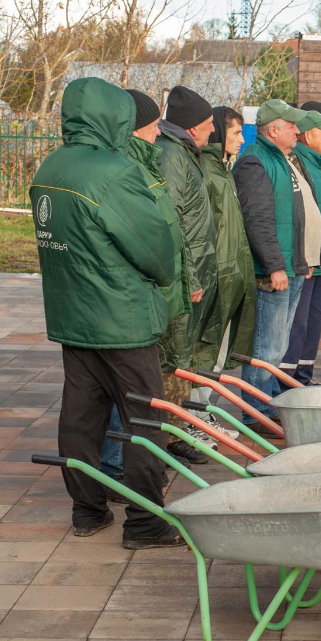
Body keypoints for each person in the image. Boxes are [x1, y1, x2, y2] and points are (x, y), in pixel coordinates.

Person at [30, 77, 183, 549]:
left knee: (80, 417)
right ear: (113, 118)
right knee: (144, 420)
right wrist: (164, 275)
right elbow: (155, 250)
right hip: (121, 317)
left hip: (73, 314)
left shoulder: (49, 167)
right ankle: (145, 521)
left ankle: (87, 509)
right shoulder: (113, 173)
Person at [98, 90, 194, 487]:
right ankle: (117, 466)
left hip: (152, 291)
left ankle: (119, 465)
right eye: (154, 125)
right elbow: (142, 239)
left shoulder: (146, 162)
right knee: (131, 391)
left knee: (132, 390)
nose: (159, 132)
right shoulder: (127, 171)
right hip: (135, 297)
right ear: (135, 128)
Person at [234, 99, 318, 434]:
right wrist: (274, 267)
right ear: (274, 130)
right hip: (273, 273)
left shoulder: (284, 160)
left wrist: (302, 260)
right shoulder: (255, 162)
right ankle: (254, 413)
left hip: (291, 267)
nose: (298, 130)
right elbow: (258, 221)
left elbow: (295, 217)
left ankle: (266, 405)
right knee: (266, 346)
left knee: (279, 344)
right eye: (292, 125)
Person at [156, 85, 220, 464]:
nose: (212, 130)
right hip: (183, 275)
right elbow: (173, 218)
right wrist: (190, 277)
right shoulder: (171, 156)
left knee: (184, 353)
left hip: (193, 271)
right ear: (193, 125)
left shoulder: (183, 151)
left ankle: (174, 430)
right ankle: (167, 437)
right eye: (209, 123)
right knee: (173, 355)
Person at [194, 107, 257, 433]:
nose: (243, 140)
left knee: (217, 356)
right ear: (219, 134)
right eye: (236, 133)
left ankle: (203, 418)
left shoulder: (221, 169)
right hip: (214, 278)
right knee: (206, 354)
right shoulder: (208, 172)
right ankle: (195, 421)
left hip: (228, 278)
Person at [278, 102, 321, 385]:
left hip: (319, 258)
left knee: (312, 325)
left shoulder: (318, 164)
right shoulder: (299, 163)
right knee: (297, 326)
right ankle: (287, 383)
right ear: (306, 134)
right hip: (303, 260)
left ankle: (303, 378)